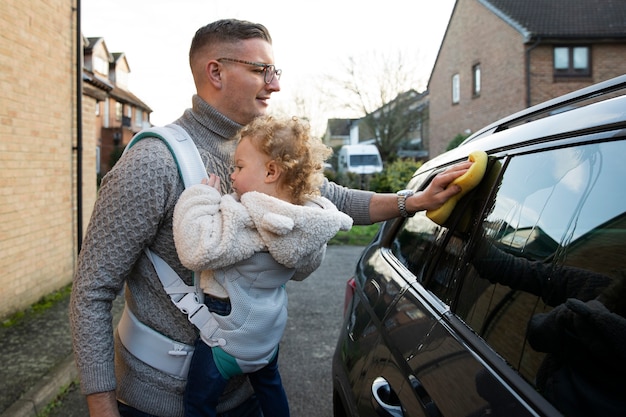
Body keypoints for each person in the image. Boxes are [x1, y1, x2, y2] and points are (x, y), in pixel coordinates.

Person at [69, 18, 470, 417]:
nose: (274, 84)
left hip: (246, 393)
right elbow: (92, 290)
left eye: (274, 71)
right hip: (159, 403)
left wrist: (413, 201)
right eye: (262, 70)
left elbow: (336, 198)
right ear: (216, 72)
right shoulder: (150, 162)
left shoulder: (259, 148)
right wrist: (102, 407)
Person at [173, 115, 353, 417]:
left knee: (198, 404)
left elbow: (195, 249)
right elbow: (303, 270)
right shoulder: (308, 222)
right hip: (267, 338)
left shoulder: (243, 219)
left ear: (271, 171)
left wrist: (201, 198)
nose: (231, 175)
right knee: (271, 390)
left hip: (225, 339)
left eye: (239, 167)